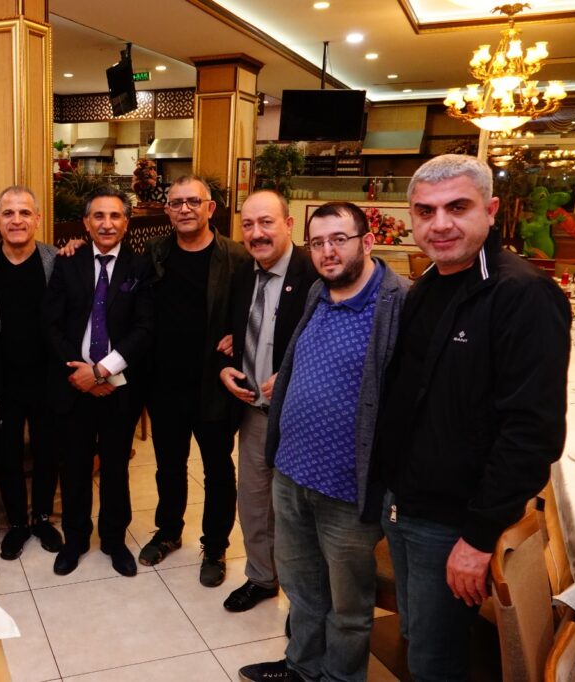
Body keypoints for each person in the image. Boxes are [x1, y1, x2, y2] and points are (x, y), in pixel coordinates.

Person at [375, 154, 571, 680]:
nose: (440, 224)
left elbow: (531, 433)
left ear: (491, 209)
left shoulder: (522, 294)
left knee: (436, 662)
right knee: (416, 640)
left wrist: (479, 537)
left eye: (457, 207)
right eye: (426, 211)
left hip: (453, 522)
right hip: (405, 504)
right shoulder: (428, 285)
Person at [238, 202, 409, 682]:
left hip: (347, 490)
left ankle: (340, 677)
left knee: (348, 605)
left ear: (367, 241)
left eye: (339, 239)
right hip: (292, 473)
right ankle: (302, 666)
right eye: (318, 243)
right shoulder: (318, 291)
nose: (328, 251)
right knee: (302, 587)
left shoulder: (398, 304)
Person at [140, 175, 253, 587]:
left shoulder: (236, 257)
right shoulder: (156, 251)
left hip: (213, 384)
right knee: (168, 466)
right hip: (165, 382)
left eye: (193, 201)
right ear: (167, 211)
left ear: (210, 208)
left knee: (218, 469)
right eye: (176, 203)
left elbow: (257, 307)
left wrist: (239, 334)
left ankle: (216, 545)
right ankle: (169, 531)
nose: (184, 209)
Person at [43, 186, 154, 577]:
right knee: (74, 466)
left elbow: (145, 327)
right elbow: (51, 325)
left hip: (118, 387)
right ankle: (75, 540)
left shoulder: (140, 267)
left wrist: (103, 370)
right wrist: (80, 372)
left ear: (126, 222)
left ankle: (113, 540)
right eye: (99, 216)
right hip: (74, 384)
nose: (107, 224)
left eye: (115, 216)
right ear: (86, 223)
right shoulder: (67, 263)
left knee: (115, 467)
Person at [218, 190, 319, 612]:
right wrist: (224, 368)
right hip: (254, 412)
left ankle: (305, 599)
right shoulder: (243, 272)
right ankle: (262, 577)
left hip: (301, 416)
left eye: (266, 222)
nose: (256, 233)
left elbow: (333, 344)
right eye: (248, 225)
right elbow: (229, 333)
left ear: (289, 224)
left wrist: (295, 373)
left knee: (297, 509)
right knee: (254, 501)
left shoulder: (315, 273)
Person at [0, 186, 63, 561]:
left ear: (37, 219)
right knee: (6, 452)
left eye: (25, 213)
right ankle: (17, 523)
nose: (17, 220)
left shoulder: (56, 259)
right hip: (0, 377)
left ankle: (41, 517)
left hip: (47, 374)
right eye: (8, 213)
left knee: (47, 449)